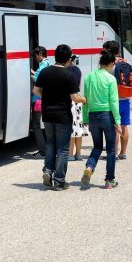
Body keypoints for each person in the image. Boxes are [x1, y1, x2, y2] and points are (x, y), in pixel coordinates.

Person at [33, 44, 86, 190]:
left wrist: (48, 97)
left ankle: (48, 171)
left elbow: (36, 90)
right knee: (62, 149)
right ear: (68, 59)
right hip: (63, 116)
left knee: (50, 144)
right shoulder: (69, 75)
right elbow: (75, 98)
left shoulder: (45, 72)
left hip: (47, 115)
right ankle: (59, 180)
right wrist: (84, 100)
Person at [81, 50, 121, 189]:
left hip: (92, 115)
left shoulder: (89, 77)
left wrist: (85, 118)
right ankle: (109, 180)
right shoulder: (111, 79)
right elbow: (114, 102)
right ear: (111, 63)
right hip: (107, 115)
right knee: (110, 149)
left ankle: (90, 167)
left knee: (97, 146)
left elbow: (85, 99)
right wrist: (118, 121)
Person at [103, 40, 132, 159]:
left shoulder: (110, 65)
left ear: (109, 51)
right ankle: (123, 153)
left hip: (114, 101)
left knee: (114, 128)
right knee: (124, 126)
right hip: (126, 99)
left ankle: (113, 154)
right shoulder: (126, 63)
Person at [29, 46, 50, 158]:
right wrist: (33, 72)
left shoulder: (42, 64)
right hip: (45, 98)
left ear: (40, 54)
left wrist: (30, 75)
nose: (35, 58)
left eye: (36, 56)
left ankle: (42, 151)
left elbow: (37, 79)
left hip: (37, 99)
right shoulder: (48, 63)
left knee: (36, 124)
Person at [67, 54, 88, 161]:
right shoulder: (78, 70)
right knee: (78, 129)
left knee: (71, 129)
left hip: (69, 100)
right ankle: (78, 154)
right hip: (78, 100)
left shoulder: (65, 70)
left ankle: (70, 155)